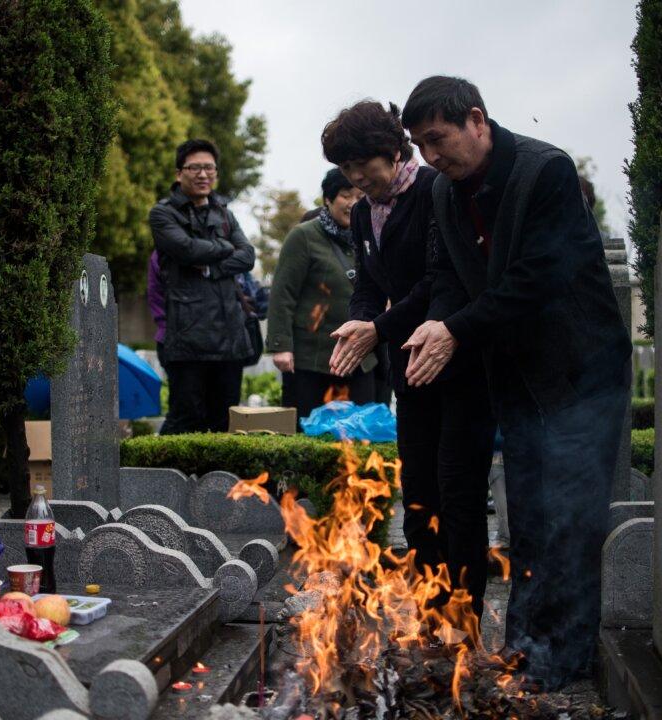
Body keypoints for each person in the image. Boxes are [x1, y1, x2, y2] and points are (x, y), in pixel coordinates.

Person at [400, 76, 631, 688]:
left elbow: (540, 275)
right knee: (527, 519)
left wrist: (458, 329)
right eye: (419, 146)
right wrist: (436, 326)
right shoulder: (447, 194)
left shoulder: (544, 171)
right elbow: (447, 272)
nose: (430, 157)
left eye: (437, 139)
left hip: (577, 371)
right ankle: (527, 649)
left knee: (572, 519)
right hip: (514, 378)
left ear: (476, 119)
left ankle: (566, 657)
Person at [324, 101, 495, 620]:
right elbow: (370, 285)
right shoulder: (361, 212)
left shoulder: (434, 192)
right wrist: (360, 322)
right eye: (347, 170)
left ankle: (465, 613)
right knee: (418, 491)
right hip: (409, 367)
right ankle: (428, 604)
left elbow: (436, 282)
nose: (357, 179)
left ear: (394, 151)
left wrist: (379, 328)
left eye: (364, 166)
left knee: (458, 491)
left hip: (458, 360)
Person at [148, 139, 256, 434]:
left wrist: (210, 267)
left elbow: (247, 255)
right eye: (194, 167)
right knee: (186, 419)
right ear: (178, 173)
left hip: (229, 334)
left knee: (225, 423)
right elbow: (185, 250)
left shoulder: (224, 213)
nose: (203, 174)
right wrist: (225, 247)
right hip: (186, 337)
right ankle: (167, 480)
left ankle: (219, 482)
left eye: (209, 167)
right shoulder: (163, 214)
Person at [267, 168, 374, 424]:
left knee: (360, 436)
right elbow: (283, 294)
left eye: (360, 196)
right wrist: (281, 347)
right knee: (308, 432)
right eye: (346, 195)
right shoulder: (304, 236)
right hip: (311, 360)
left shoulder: (369, 235)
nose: (353, 203)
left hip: (361, 357)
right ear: (328, 199)